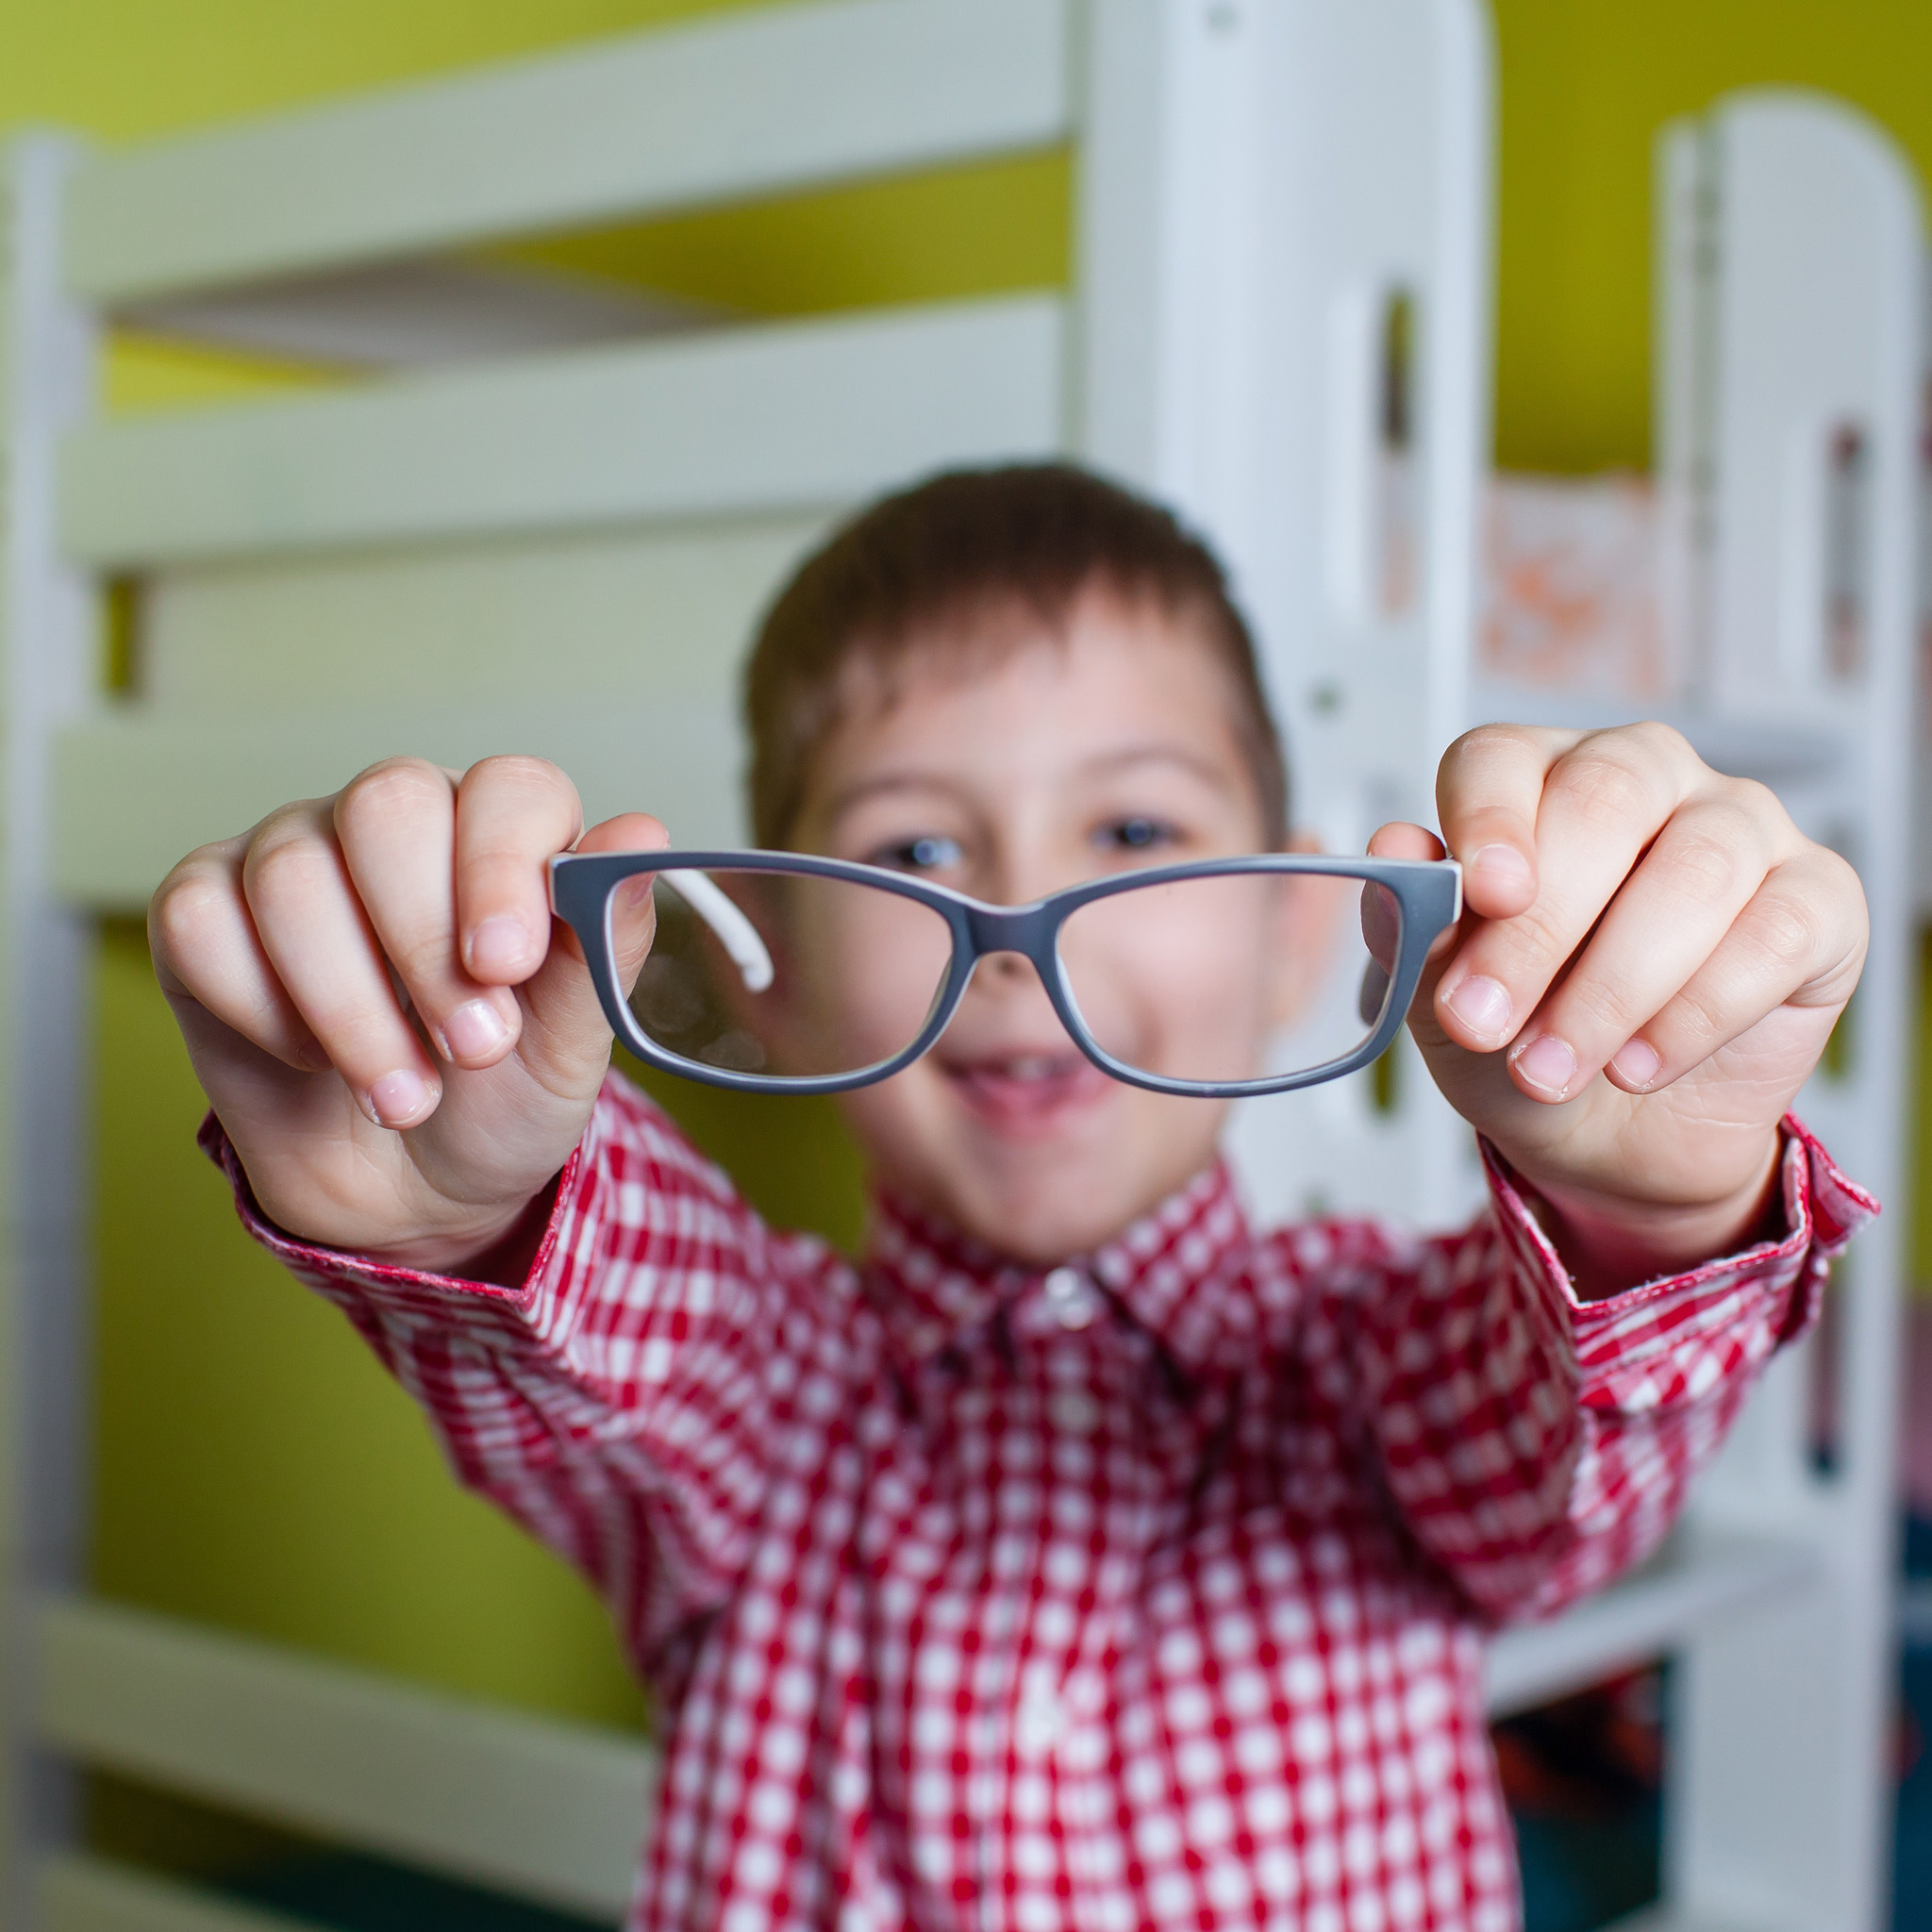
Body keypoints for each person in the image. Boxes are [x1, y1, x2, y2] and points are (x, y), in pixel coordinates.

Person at [150, 465, 1874, 1931]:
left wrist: (1639, 1213)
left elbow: (1554, 1459)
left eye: (1131, 830)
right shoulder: (775, 1402)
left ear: (1301, 937)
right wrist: (460, 1207)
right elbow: (626, 1345)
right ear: (773, 974)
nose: (1019, 929)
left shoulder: (1363, 1364)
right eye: (914, 852)